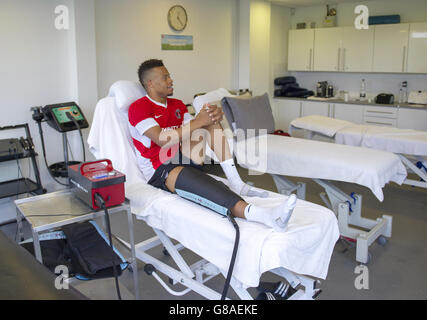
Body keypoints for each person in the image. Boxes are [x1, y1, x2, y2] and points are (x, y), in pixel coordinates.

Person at [128, 59, 296, 232]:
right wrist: (199, 121)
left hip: (182, 157)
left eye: (169, 76)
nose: (171, 80)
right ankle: (264, 216)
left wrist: (210, 117)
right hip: (160, 168)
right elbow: (161, 139)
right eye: (165, 77)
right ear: (150, 83)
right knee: (206, 186)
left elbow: (192, 130)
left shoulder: (176, 104)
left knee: (208, 118)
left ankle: (235, 181)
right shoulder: (139, 107)